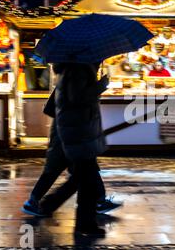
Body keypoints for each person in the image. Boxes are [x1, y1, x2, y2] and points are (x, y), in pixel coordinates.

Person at [21, 88, 121, 218]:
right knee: (84, 168)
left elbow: (52, 108)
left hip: (67, 133)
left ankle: (34, 201)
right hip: (71, 135)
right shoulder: (76, 79)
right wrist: (96, 89)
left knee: (65, 169)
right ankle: (98, 203)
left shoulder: (67, 78)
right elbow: (76, 104)